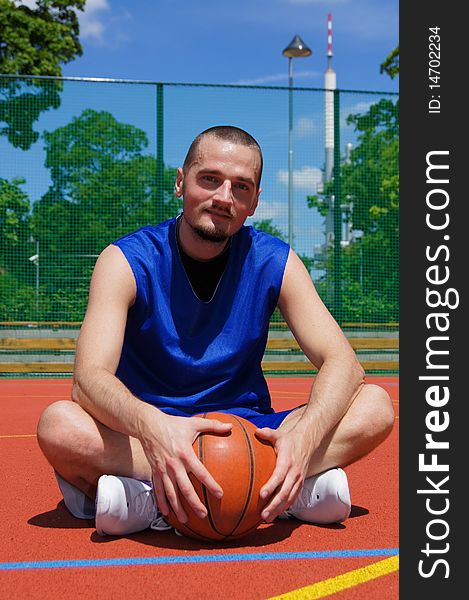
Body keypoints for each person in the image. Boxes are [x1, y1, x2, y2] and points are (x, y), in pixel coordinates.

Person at [37, 125, 394, 536]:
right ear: (180, 182)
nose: (224, 198)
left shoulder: (274, 259)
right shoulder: (124, 260)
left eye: (241, 187)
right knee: (59, 424)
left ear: (255, 201)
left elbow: (344, 364)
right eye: (210, 179)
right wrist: (156, 430)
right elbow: (88, 381)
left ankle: (162, 497)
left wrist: (303, 440)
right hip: (153, 431)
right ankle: (272, 493)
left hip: (252, 433)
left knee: (375, 406)